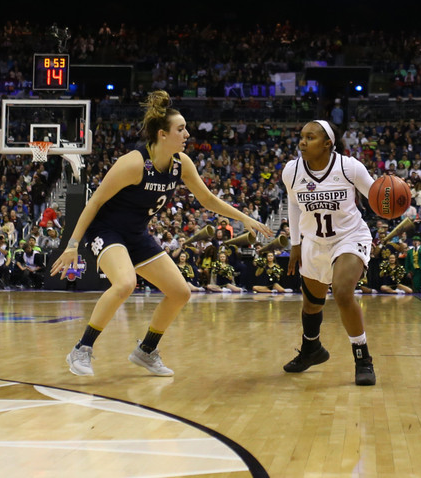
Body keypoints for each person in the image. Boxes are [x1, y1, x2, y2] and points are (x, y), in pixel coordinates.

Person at [51, 90, 271, 377]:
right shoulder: (133, 163)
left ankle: (146, 350)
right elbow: (94, 202)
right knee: (125, 283)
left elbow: (207, 199)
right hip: (106, 231)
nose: (187, 133)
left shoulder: (181, 163)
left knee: (180, 292)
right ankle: (82, 349)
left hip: (136, 233)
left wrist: (245, 218)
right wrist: (72, 244)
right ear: (162, 134)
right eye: (181, 129)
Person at [282, 119, 378, 386]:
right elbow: (293, 203)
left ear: (328, 143)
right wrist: (296, 243)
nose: (302, 142)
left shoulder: (349, 167)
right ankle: (312, 349)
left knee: (343, 291)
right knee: (312, 303)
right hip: (313, 241)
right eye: (301, 136)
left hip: (350, 237)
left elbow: (376, 196)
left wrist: (392, 198)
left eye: (310, 137)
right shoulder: (292, 171)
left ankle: (363, 359)